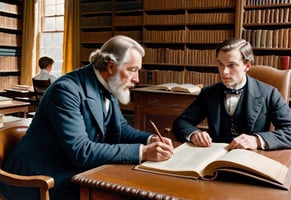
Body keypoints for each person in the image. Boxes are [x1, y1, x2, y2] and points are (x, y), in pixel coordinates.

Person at [0, 35, 174, 200]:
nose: (136, 79)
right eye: (132, 70)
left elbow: (121, 129)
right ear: (111, 66)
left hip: (73, 170)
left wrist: (151, 140)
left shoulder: (109, 83)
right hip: (40, 178)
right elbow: (81, 151)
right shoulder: (66, 90)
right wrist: (142, 152)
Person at [172, 38, 291, 150]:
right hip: (213, 157)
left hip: (252, 159)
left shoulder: (269, 93)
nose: (224, 72)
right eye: (220, 64)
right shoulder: (208, 92)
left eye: (231, 65)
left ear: (247, 66)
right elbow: (181, 123)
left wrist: (257, 140)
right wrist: (194, 133)